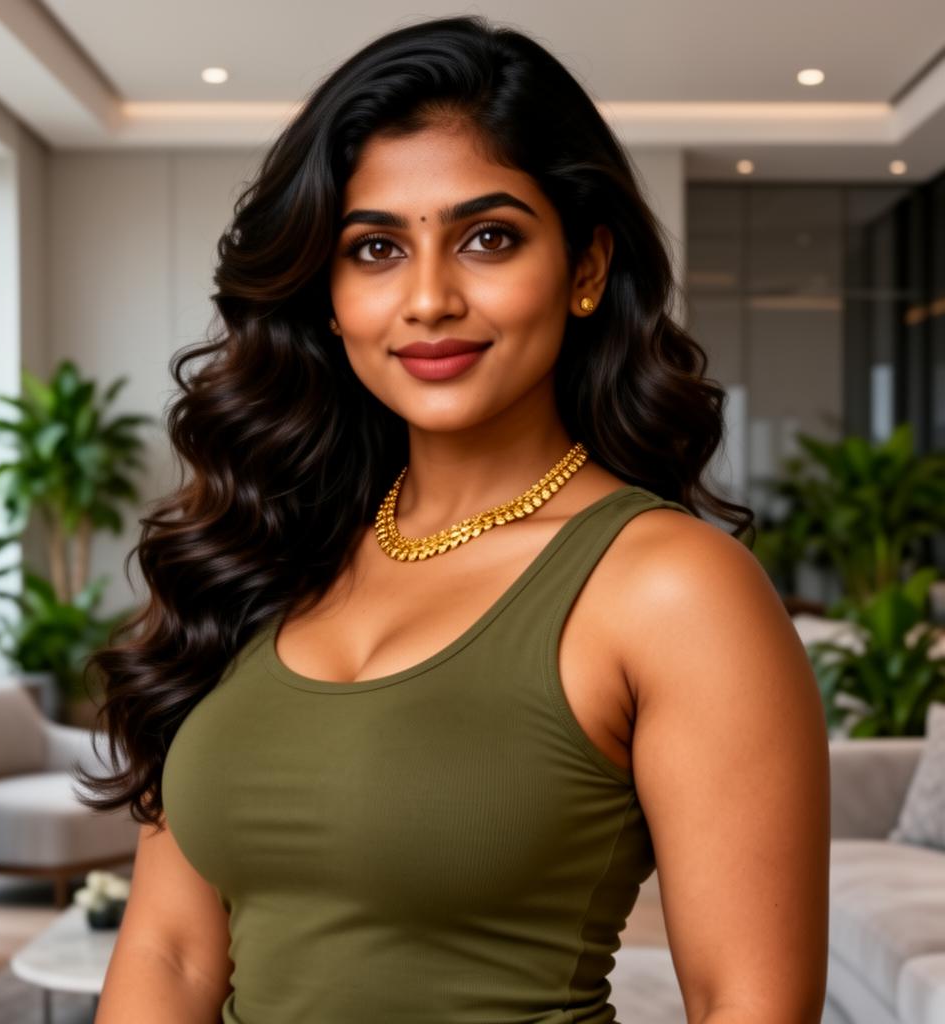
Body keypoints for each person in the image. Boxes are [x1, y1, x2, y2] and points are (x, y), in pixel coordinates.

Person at [81, 14, 830, 1023]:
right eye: (376, 247)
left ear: (585, 268)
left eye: (488, 238)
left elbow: (750, 1003)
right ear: (329, 291)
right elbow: (168, 955)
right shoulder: (265, 550)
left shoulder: (669, 586)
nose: (428, 298)